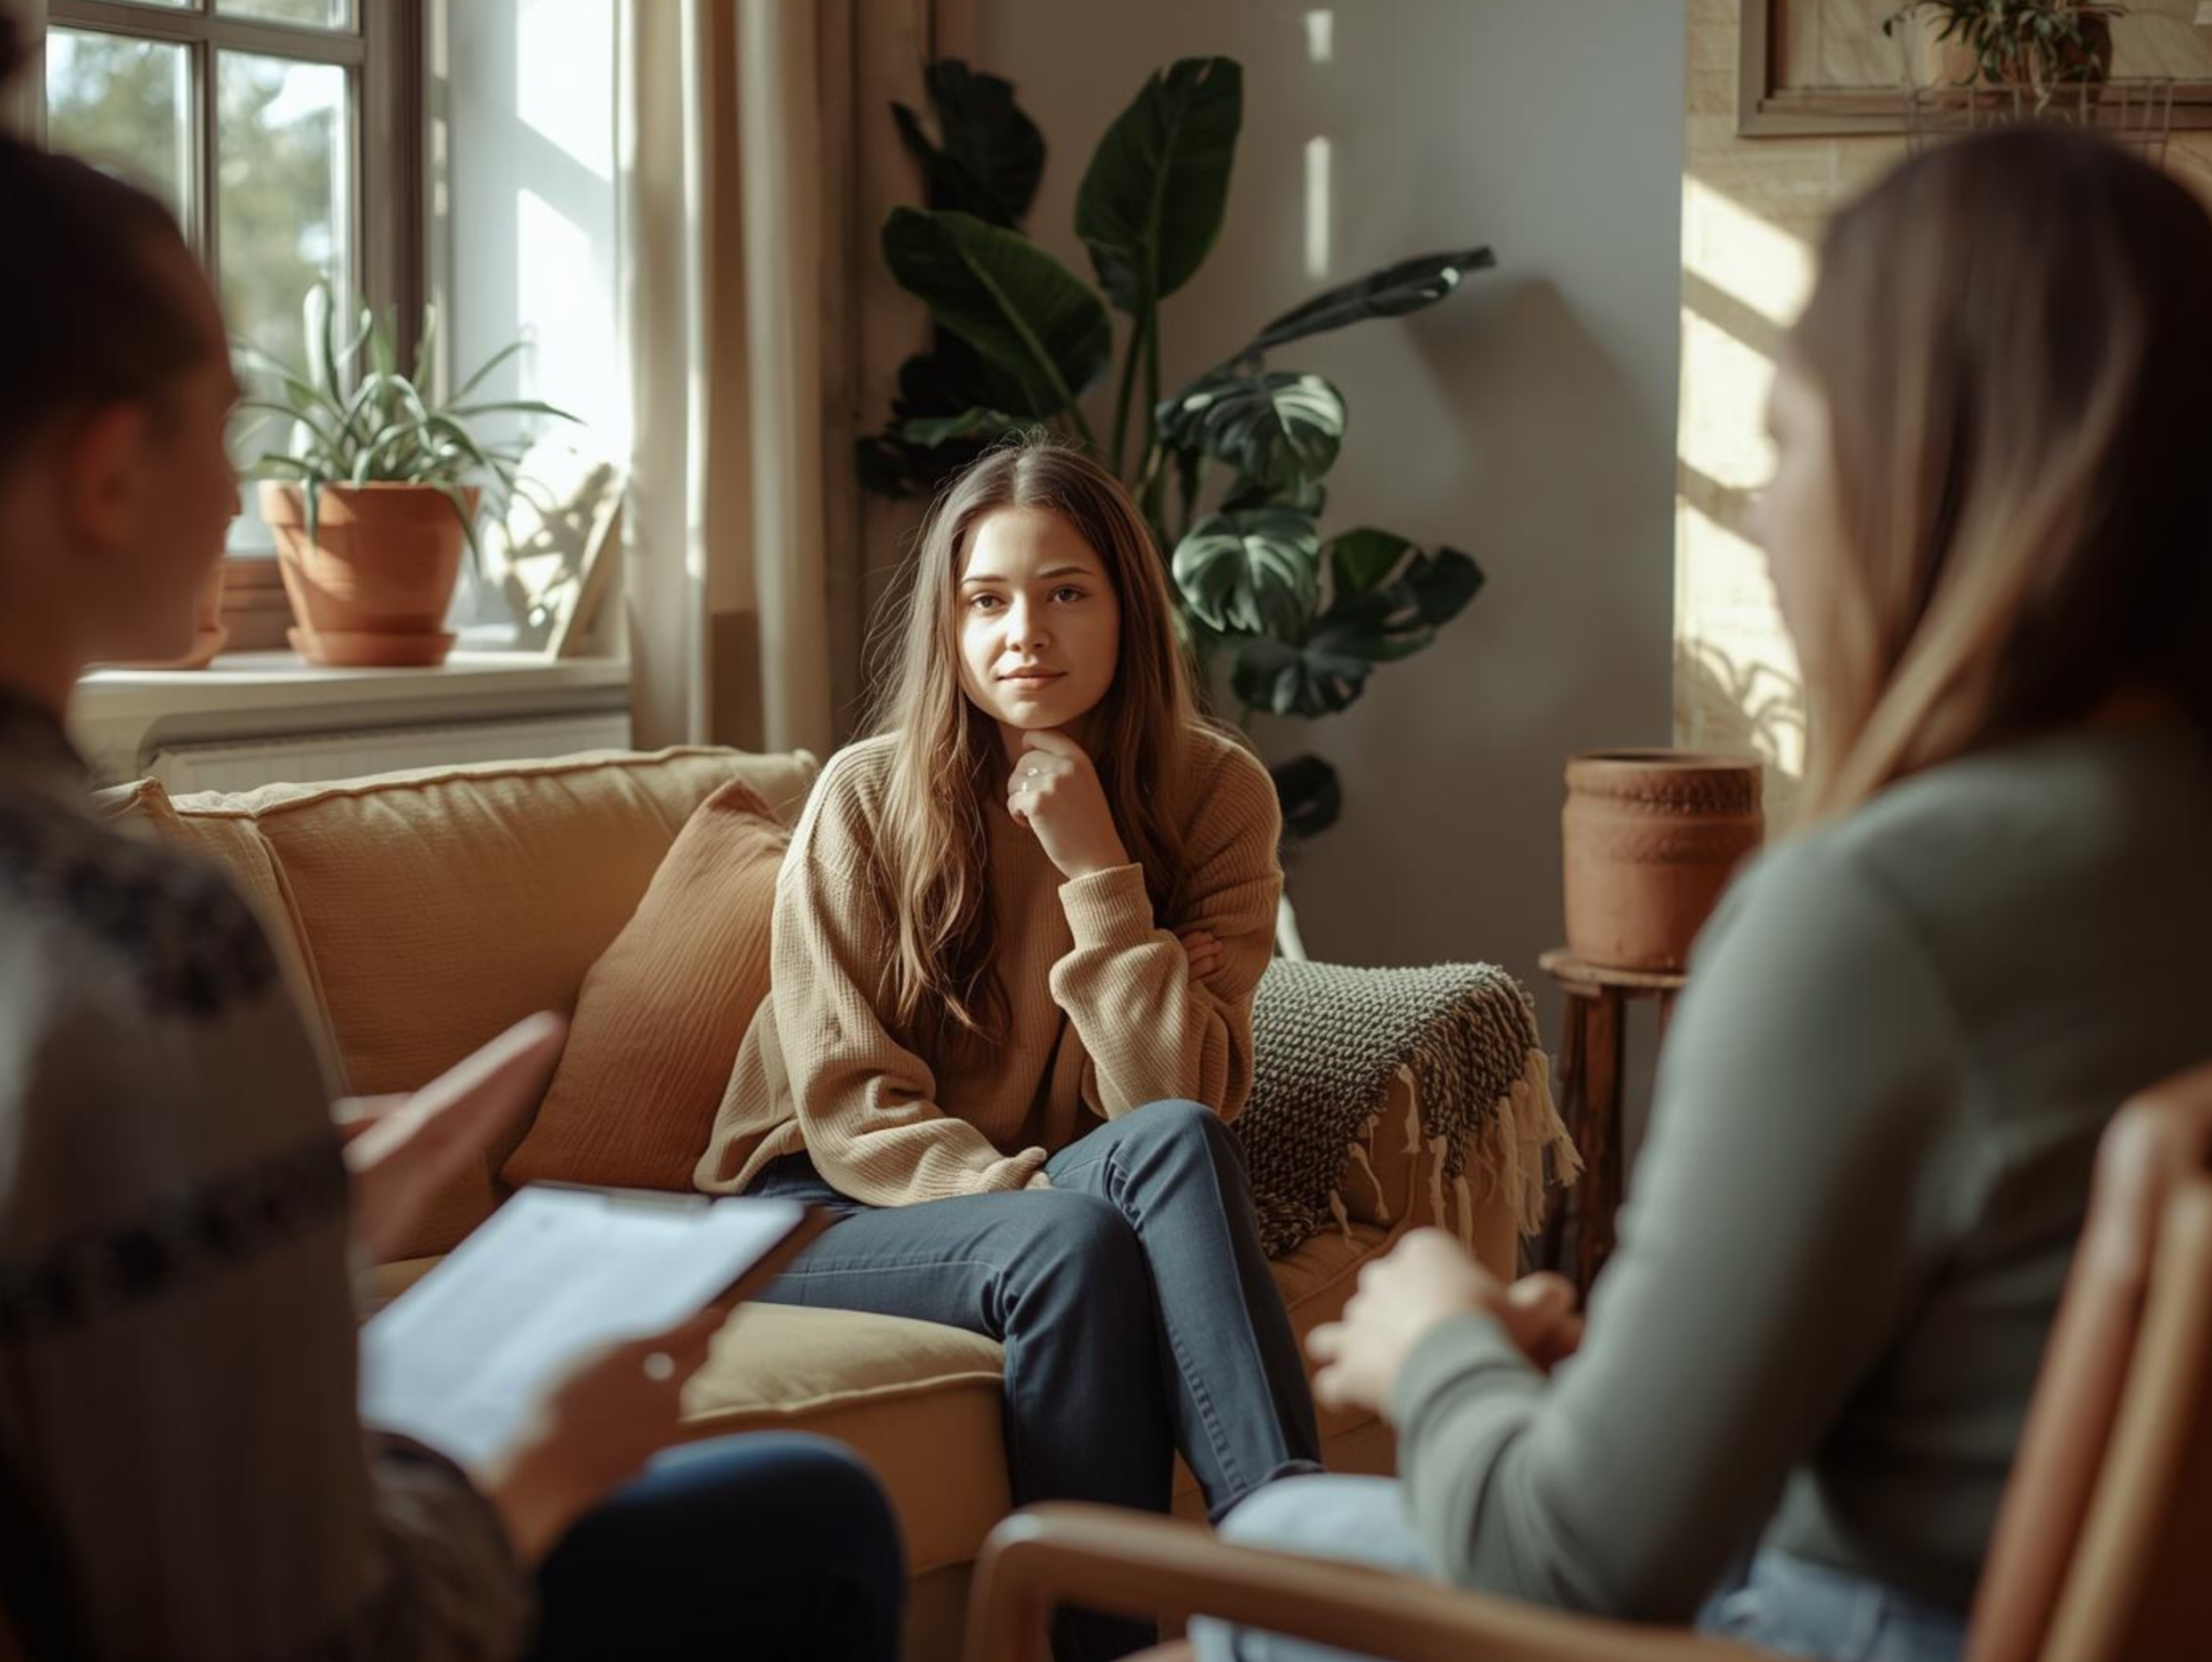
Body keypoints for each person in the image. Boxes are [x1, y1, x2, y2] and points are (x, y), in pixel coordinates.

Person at [1195, 127, 2212, 1662]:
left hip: (1868, 1627)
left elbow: (1578, 1561)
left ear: (1922, 473)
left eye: (1789, 441)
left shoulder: (1876, 917)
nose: (1758, 508)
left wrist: (1444, 1348)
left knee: (1260, 1545)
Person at [0, 16, 902, 1658]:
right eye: (223, 424)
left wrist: (280, 1220)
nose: (241, 497)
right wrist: (525, 1472)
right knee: (816, 1524)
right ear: (108, 469)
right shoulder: (137, 939)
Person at [695, 436, 1323, 1658]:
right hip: (808, 1202)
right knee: (1071, 1238)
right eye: (986, 600)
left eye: (1063, 592)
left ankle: (1288, 1589)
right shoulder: (867, 795)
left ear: (1127, 607)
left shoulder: (1214, 793)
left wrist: (1100, 869)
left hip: (1022, 1189)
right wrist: (1025, 1193)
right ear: (952, 620)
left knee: (1181, 1143)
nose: (1021, 632)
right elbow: (849, 1098)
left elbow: (1172, 1095)